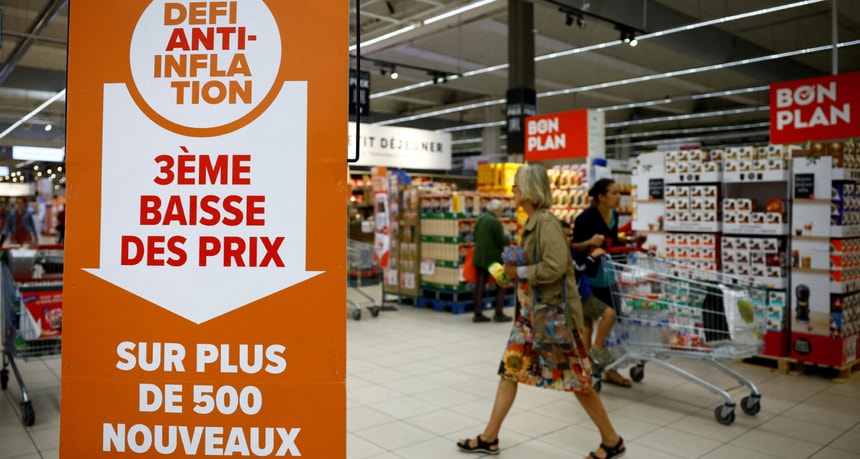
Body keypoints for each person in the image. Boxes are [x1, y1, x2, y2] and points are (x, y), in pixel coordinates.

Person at [457, 165, 625, 459]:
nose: (513, 191)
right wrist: (513, 274)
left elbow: (555, 266)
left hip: (551, 316)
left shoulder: (546, 223)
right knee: (509, 371)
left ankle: (612, 440)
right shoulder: (534, 221)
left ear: (528, 191)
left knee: (578, 380)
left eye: (516, 186)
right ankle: (489, 437)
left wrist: (520, 271)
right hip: (532, 316)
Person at [573, 178, 644, 388]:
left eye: (618, 192)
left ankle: (604, 369)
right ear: (601, 197)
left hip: (609, 276)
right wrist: (589, 243)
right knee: (590, 324)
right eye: (613, 192)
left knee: (610, 324)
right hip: (588, 278)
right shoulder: (585, 218)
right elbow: (573, 246)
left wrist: (630, 240)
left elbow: (611, 238)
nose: (618, 196)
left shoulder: (615, 215)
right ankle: (589, 369)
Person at [471, 199, 512, 323]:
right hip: (493, 259)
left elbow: (474, 236)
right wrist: (507, 235)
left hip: (479, 257)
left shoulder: (480, 218)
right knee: (502, 283)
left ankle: (477, 313)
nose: (501, 212)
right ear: (496, 209)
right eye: (501, 210)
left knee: (480, 284)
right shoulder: (494, 221)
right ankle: (498, 313)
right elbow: (502, 241)